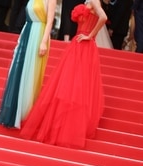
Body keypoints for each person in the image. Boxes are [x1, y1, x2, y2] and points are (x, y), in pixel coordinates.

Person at [20, 0, 107, 148]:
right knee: (69, 85)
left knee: (75, 86)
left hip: (84, 46)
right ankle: (62, 125)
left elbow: (103, 17)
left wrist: (90, 35)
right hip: (78, 44)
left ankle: (69, 129)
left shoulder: (94, 0)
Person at [0, 0, 56, 129]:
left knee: (30, 73)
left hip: (39, 35)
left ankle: (25, 113)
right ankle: (14, 111)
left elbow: (50, 21)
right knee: (18, 69)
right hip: (27, 32)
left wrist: (44, 42)